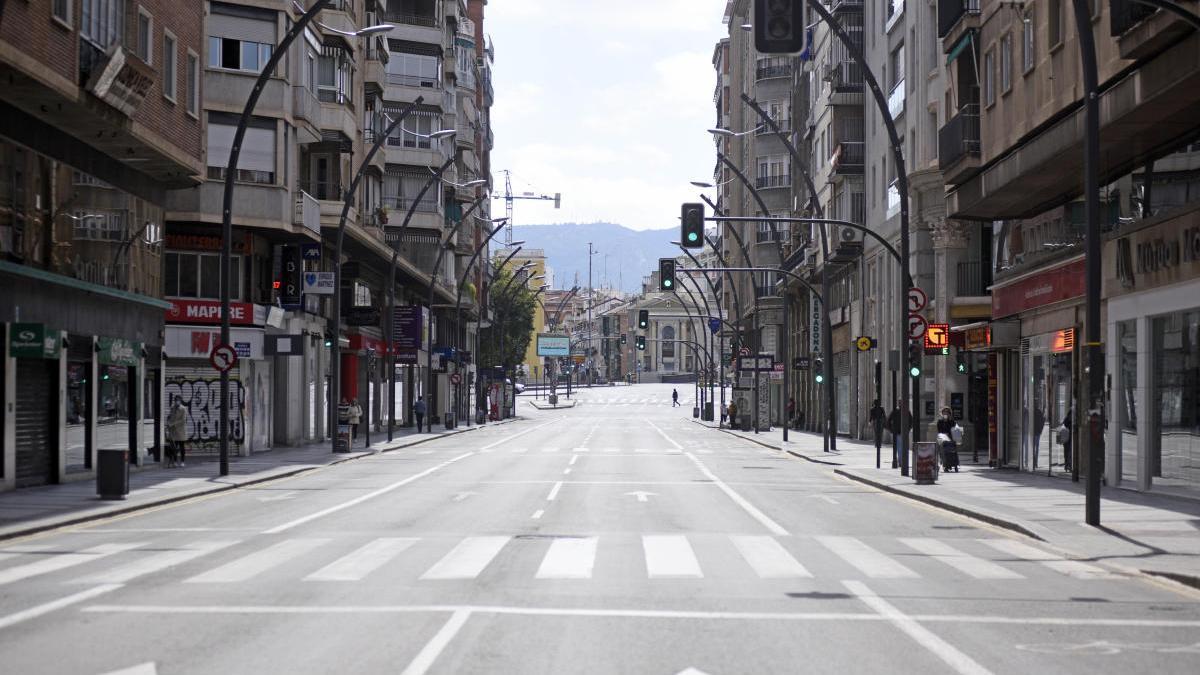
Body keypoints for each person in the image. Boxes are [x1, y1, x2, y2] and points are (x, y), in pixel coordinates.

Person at [936, 406, 960, 472]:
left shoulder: (952, 421)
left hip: (951, 438)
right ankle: (946, 465)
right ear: (942, 414)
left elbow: (955, 430)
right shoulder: (940, 421)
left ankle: (954, 464)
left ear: (949, 414)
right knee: (944, 451)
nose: (945, 414)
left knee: (952, 451)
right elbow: (939, 430)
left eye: (947, 413)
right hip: (942, 439)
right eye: (944, 413)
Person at [165, 399, 188, 468]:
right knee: (174, 447)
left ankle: (182, 462)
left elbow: (183, 420)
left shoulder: (183, 409)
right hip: (173, 431)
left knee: (181, 447)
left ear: (180, 401)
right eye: (175, 400)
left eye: (178, 400)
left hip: (180, 430)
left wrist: (172, 424)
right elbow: (171, 417)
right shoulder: (172, 408)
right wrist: (168, 423)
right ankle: (174, 462)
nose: (176, 402)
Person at [1059, 406, 1073, 472]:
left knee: (1066, 452)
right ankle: (1068, 465)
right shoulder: (1070, 419)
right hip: (1069, 438)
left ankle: (1067, 465)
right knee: (1069, 452)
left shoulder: (1066, 418)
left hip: (1066, 438)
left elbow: (1063, 424)